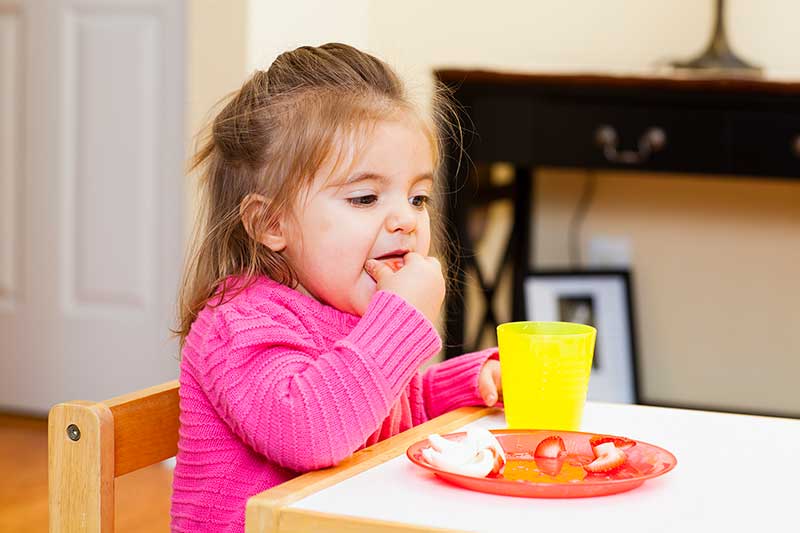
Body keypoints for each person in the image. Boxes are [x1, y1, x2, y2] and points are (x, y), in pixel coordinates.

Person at [170, 43, 502, 532]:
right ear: (271, 222)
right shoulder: (237, 325)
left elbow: (384, 418)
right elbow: (311, 430)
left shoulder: (352, 312)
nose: (406, 221)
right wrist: (400, 322)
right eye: (365, 197)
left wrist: (467, 385)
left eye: (418, 197)